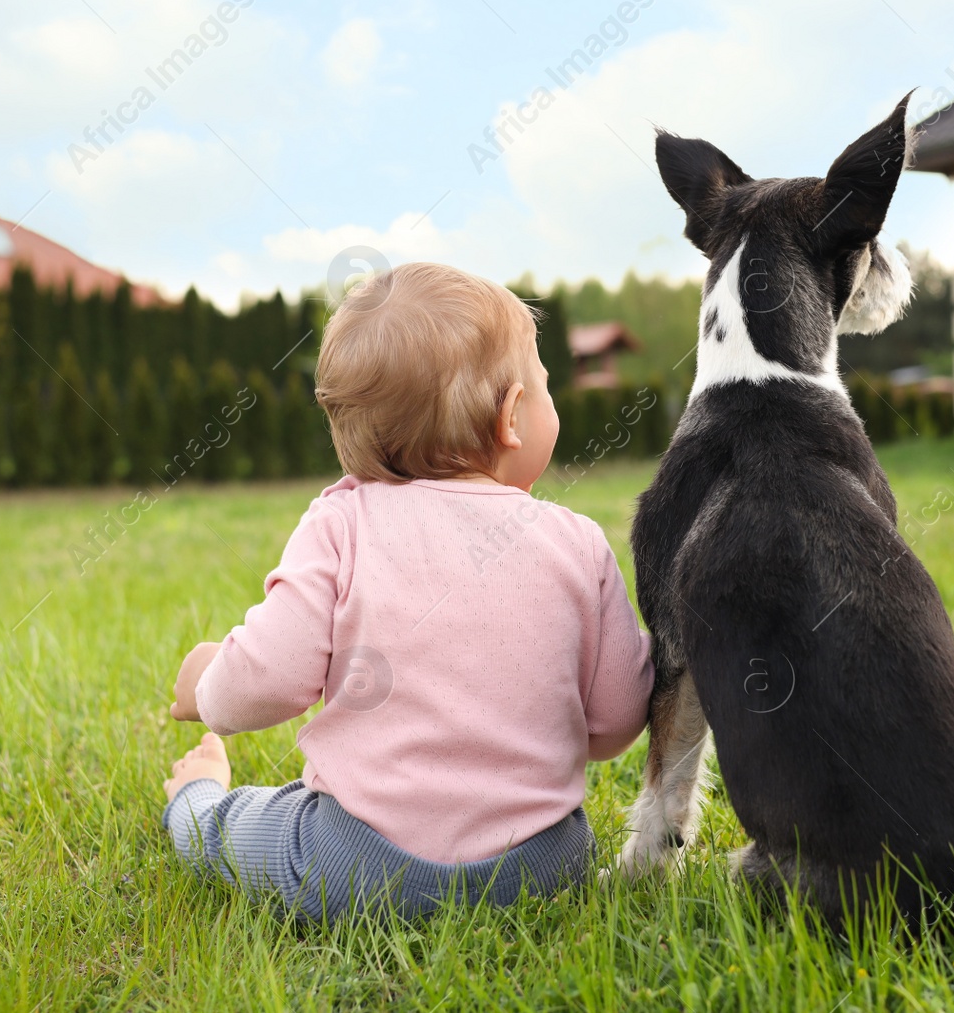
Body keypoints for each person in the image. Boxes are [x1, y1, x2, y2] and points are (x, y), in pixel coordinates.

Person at [162, 262, 653, 921]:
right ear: (513, 416)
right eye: (543, 386)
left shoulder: (342, 522)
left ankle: (195, 798)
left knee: (246, 826)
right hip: (544, 864)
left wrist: (206, 684)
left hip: (358, 865)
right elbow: (620, 714)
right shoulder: (578, 542)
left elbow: (267, 677)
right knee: (565, 838)